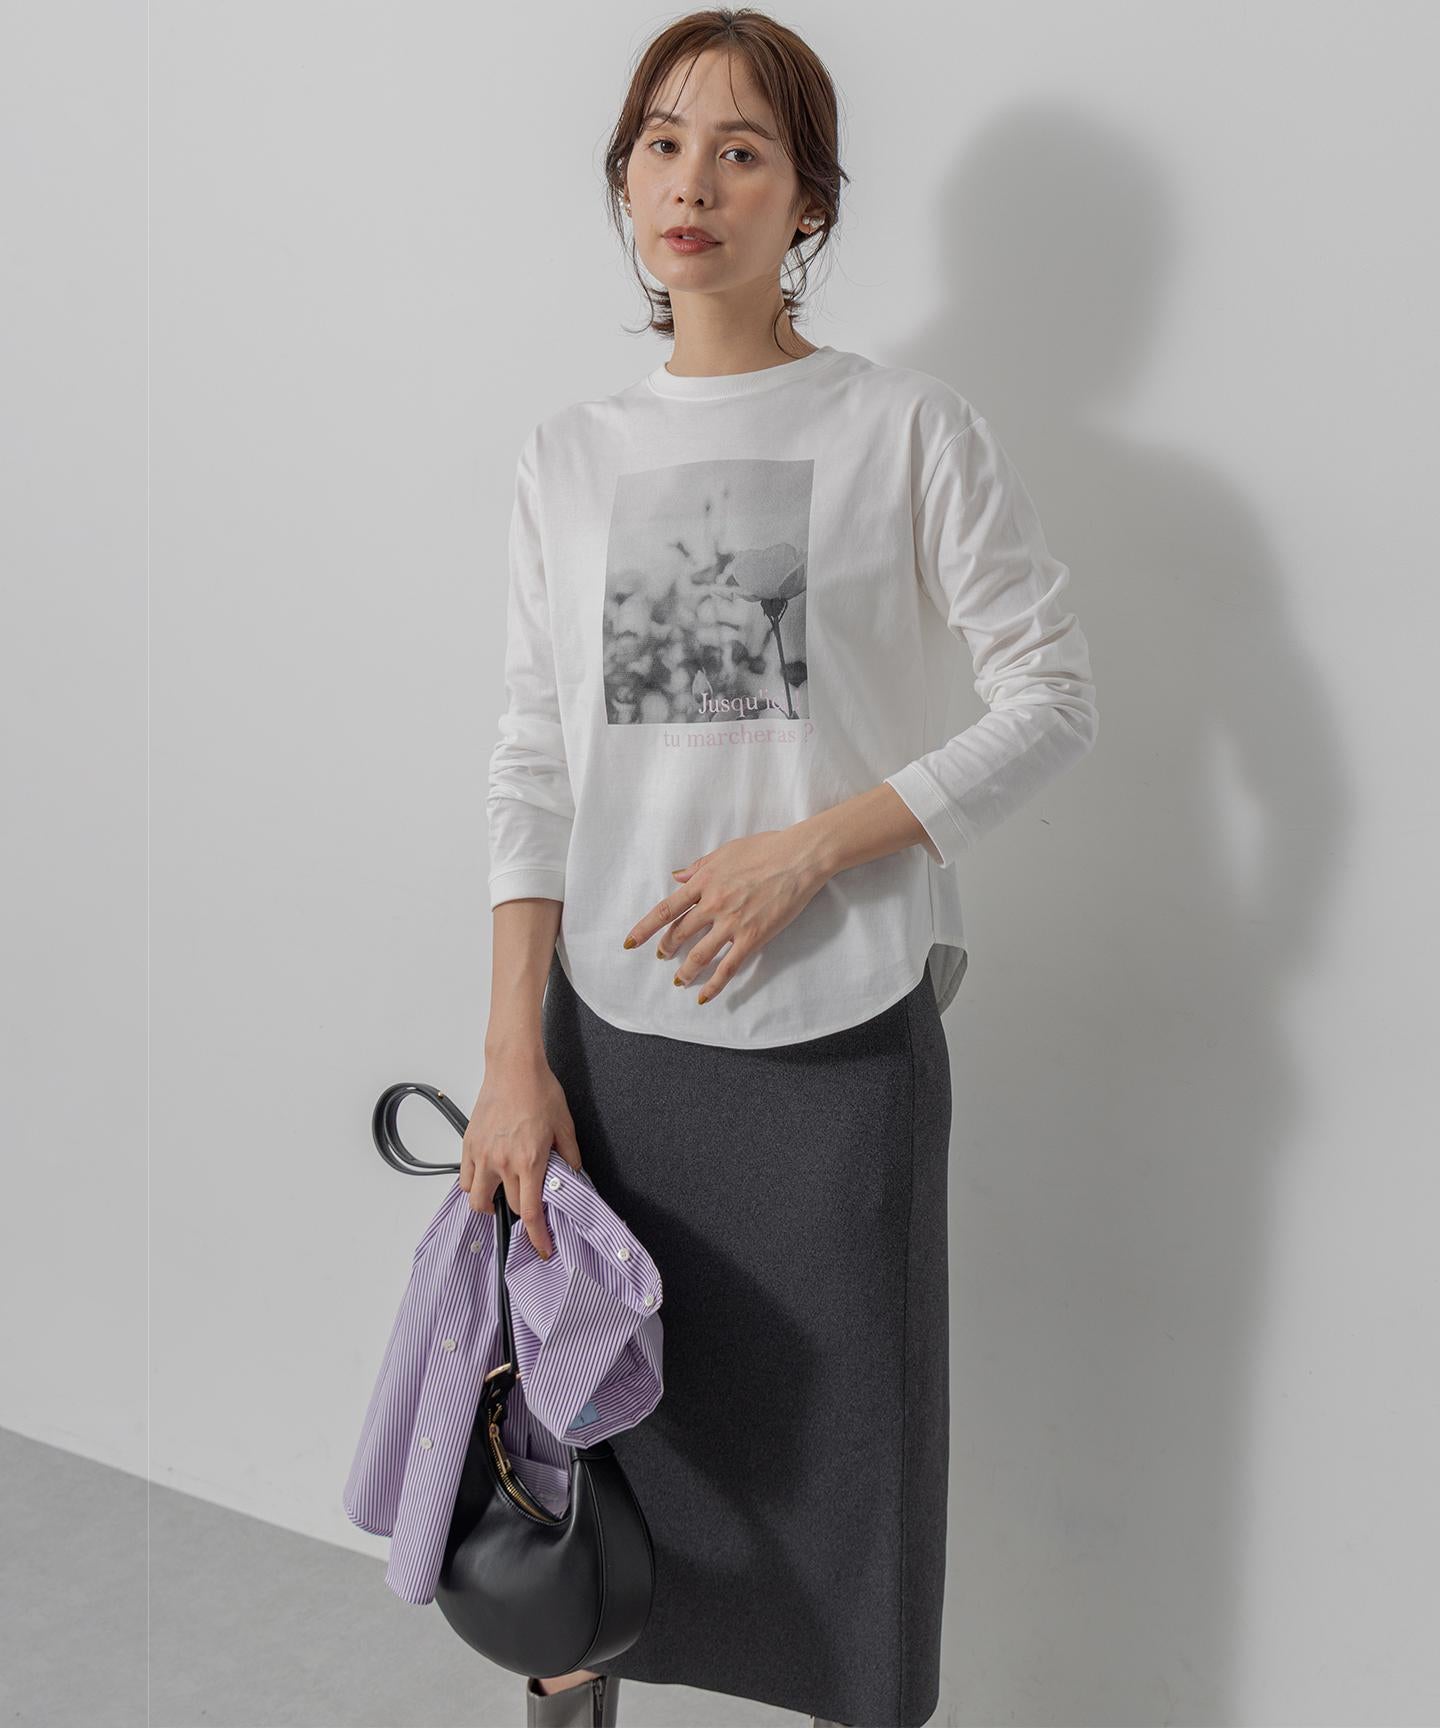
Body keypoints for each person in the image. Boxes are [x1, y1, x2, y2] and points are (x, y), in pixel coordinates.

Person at [466, 10, 1099, 1728]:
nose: (695, 184)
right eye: (662, 146)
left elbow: (1054, 695)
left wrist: (815, 847)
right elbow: (531, 764)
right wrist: (513, 1054)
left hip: (836, 1051)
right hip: (607, 1048)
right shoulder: (568, 455)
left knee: (849, 1487)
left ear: (808, 198)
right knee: (584, 1462)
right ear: (624, 179)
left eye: (743, 151)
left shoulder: (905, 429)